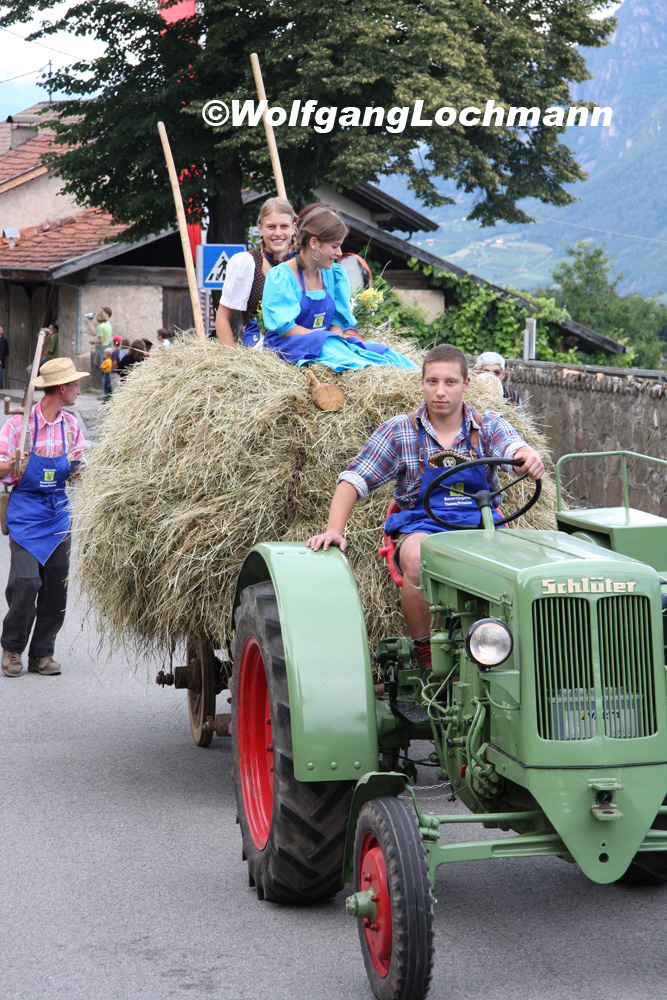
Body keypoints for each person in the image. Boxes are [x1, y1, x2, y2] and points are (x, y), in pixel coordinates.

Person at [307, 344, 543, 671]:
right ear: (421, 384)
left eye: (450, 382)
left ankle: (506, 653)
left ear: (466, 384)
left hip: (482, 527)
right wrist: (334, 529)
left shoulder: (488, 425)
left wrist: (526, 459)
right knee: (418, 561)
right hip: (422, 527)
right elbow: (354, 479)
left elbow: (514, 450)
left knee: (522, 572)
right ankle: (427, 656)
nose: (440, 391)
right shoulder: (400, 430)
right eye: (432, 382)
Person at [0, 358, 87, 677]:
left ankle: (42, 653)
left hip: (57, 514)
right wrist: (12, 464)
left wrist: (84, 472)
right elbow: (0, 469)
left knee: (55, 589)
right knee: (26, 582)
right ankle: (12, 648)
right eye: (75, 385)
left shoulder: (72, 425)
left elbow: (77, 465)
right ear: (62, 388)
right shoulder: (19, 425)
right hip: (24, 512)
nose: (79, 389)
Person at [261, 206, 416, 371]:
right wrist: (328, 340)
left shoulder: (333, 275)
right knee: (341, 352)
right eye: (335, 246)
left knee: (375, 350)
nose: (339, 252)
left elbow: (337, 320)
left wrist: (334, 339)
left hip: (327, 343)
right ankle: (372, 369)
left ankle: (414, 372)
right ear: (314, 243)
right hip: (292, 346)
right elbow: (287, 329)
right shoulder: (282, 277)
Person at [215, 196, 298, 349]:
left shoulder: (301, 263)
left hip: (297, 344)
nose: (278, 233)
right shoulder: (248, 263)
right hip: (260, 351)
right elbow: (222, 317)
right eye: (271, 227)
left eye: (284, 226)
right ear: (260, 228)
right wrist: (233, 360)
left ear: (294, 227)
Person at [88, 308, 113, 375]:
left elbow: (101, 340)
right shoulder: (108, 325)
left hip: (102, 349)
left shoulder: (100, 327)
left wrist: (93, 341)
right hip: (108, 347)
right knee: (106, 369)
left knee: (102, 369)